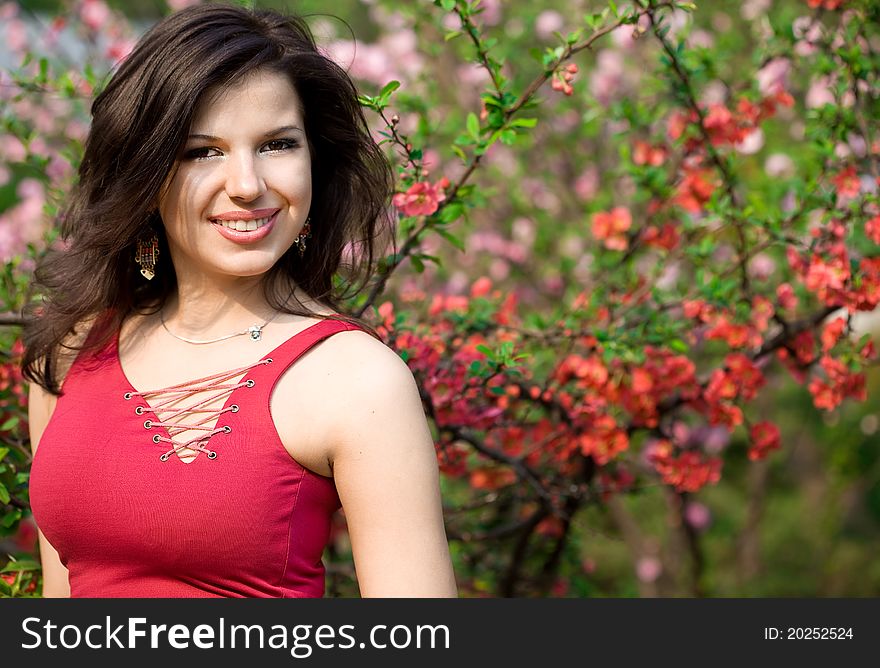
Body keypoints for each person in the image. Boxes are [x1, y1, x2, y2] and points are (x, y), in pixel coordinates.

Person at [22, 3, 457, 598]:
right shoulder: (72, 351)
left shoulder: (356, 381)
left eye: (277, 144)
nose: (248, 185)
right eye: (203, 151)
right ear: (145, 174)